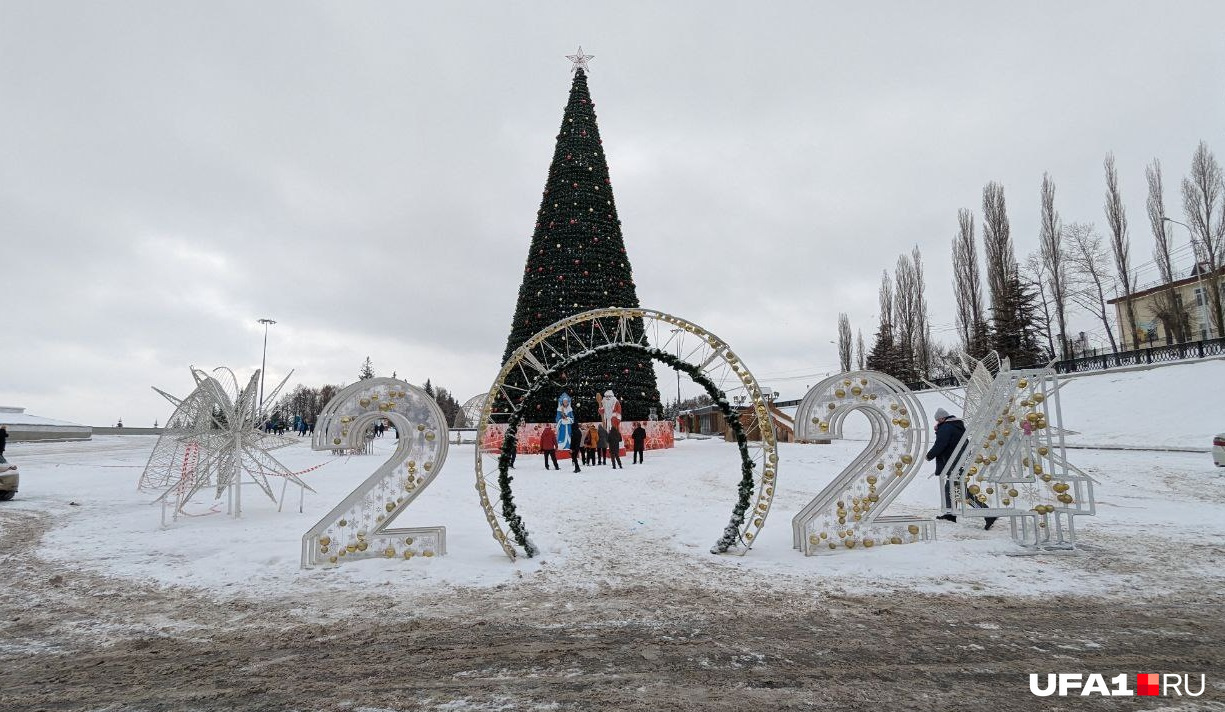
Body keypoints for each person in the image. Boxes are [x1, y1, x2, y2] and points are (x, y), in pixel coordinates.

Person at [926, 407, 996, 530]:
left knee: (962, 493)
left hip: (954, 463)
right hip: (959, 462)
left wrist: (929, 455)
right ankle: (950, 514)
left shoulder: (946, 428)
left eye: (938, 420)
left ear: (942, 418)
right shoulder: (957, 427)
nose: (937, 423)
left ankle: (987, 513)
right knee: (951, 488)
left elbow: (940, 444)